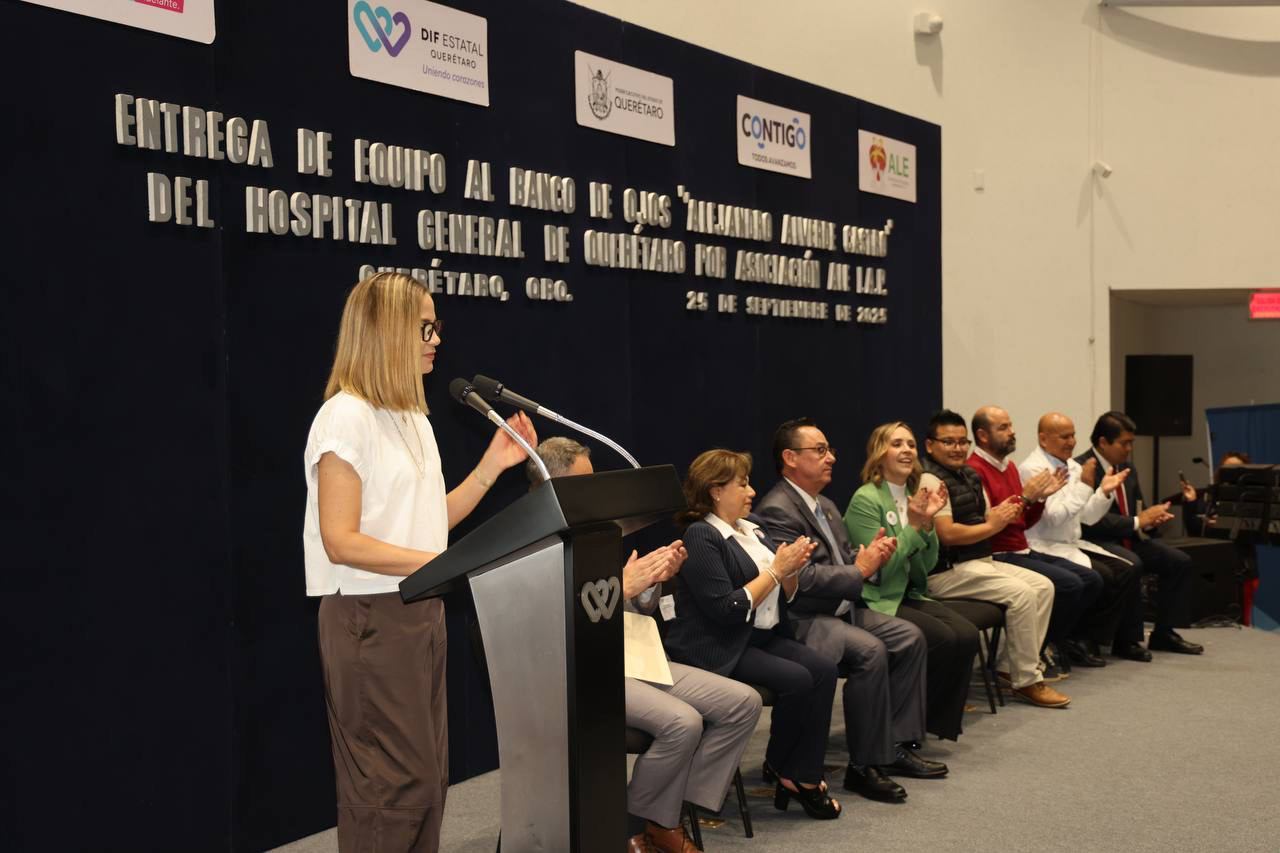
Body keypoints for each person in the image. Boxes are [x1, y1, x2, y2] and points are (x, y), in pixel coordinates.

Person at [302, 272, 538, 852]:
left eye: (436, 327)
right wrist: (444, 564)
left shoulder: (412, 417)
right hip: (368, 617)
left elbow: (432, 519)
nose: (437, 340)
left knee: (427, 784)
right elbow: (341, 541)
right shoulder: (345, 417)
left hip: (419, 610)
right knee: (391, 790)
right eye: (425, 328)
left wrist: (491, 467)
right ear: (385, 332)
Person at [527, 438, 762, 853]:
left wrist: (649, 582)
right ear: (550, 486)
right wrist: (623, 585)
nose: (594, 491)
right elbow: (545, 624)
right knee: (683, 723)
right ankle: (644, 823)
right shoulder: (531, 546)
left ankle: (666, 811)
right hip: (580, 669)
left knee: (743, 702)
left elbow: (628, 607)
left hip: (632, 655)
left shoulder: (595, 532)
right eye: (583, 482)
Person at [756, 419, 945, 805]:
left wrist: (869, 557)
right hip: (804, 618)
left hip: (841, 609)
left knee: (909, 637)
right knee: (870, 650)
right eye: (820, 450)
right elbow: (801, 578)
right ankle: (864, 766)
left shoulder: (824, 504)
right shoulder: (778, 509)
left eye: (830, 450)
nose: (831, 458)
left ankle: (895, 745)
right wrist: (859, 569)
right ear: (790, 458)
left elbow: (842, 560)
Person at [661, 449, 843, 819]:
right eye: (742, 484)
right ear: (715, 491)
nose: (752, 491)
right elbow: (726, 609)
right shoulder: (702, 535)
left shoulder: (752, 527)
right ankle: (790, 773)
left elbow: (785, 595)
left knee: (824, 670)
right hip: (719, 642)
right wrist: (776, 571)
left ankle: (797, 771)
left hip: (760, 634)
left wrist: (791, 570)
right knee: (798, 679)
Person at [918, 410, 1069, 708]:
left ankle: (1007, 667)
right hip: (946, 571)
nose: (957, 448)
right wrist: (993, 525)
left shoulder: (970, 475)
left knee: (1043, 587)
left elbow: (992, 517)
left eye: (962, 442)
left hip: (978, 562)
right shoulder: (930, 479)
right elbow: (947, 534)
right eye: (948, 442)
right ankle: (1028, 680)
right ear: (930, 445)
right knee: (1022, 594)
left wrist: (1029, 499)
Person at [845, 422, 979, 749]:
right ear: (879, 454)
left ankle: (927, 719)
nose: (907, 450)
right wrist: (914, 527)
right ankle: (902, 727)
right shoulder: (866, 499)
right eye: (896, 444)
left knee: (966, 634)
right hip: (876, 596)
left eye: (910, 444)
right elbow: (877, 569)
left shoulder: (913, 495)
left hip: (908, 591)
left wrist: (927, 525)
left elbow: (926, 565)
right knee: (941, 637)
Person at [968, 406, 1105, 672]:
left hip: (1020, 548)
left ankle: (1047, 643)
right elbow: (993, 524)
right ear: (983, 436)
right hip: (999, 552)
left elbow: (1023, 522)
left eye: (1010, 425)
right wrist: (1027, 497)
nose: (1012, 432)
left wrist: (1039, 499)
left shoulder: (1008, 467)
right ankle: (1032, 651)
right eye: (1003, 428)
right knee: (1069, 584)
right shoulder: (975, 471)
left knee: (1090, 579)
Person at [1019, 414, 1149, 662]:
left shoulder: (1074, 466)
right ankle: (1070, 639)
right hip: (1043, 545)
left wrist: (1103, 493)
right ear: (1043, 439)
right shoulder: (1033, 468)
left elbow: (1087, 517)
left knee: (1126, 570)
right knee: (1101, 576)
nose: (1072, 442)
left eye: (1073, 435)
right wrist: (1085, 487)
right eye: (1064, 437)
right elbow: (1054, 517)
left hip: (1069, 543)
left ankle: (1086, 639)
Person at [1077, 411, 1203, 655]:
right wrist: (1137, 521)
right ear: (1103, 442)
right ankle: (1127, 640)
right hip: (1096, 540)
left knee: (1179, 561)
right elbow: (1089, 519)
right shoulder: (1083, 467)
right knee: (1132, 563)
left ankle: (1164, 633)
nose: (1129, 449)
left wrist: (1151, 520)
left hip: (1128, 537)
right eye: (1124, 443)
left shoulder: (1128, 467)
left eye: (1131, 442)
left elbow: (1138, 509)